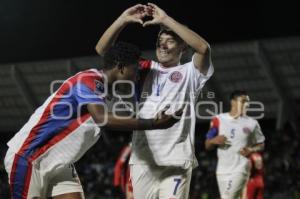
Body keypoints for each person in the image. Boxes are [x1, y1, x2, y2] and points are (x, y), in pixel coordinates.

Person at [3, 42, 182, 199]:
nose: (136, 76)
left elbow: (130, 119)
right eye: (134, 70)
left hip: (60, 164)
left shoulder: (111, 96)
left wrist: (159, 117)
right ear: (120, 68)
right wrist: (152, 123)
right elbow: (102, 119)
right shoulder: (88, 80)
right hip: (29, 156)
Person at [95, 3, 214, 198]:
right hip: (143, 161)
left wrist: (166, 20)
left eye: (170, 41)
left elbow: (203, 48)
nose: (163, 44)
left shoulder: (191, 72)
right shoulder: (145, 68)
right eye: (160, 39)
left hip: (177, 160)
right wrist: (122, 19)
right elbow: (103, 51)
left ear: (183, 46)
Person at [205, 90, 265, 199]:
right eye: (243, 101)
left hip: (241, 168)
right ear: (233, 102)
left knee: (227, 197)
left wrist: (251, 149)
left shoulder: (252, 123)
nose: (246, 104)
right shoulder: (218, 120)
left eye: (247, 102)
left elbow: (261, 144)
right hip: (222, 170)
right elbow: (207, 145)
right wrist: (213, 141)